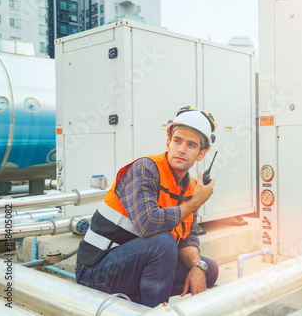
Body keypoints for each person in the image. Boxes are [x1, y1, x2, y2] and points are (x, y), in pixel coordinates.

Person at [75, 106, 219, 307]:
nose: (181, 149)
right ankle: (154, 310)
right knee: (163, 243)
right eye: (177, 141)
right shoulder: (145, 169)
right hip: (96, 271)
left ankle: (138, 300)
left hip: (135, 266)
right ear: (168, 141)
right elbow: (148, 224)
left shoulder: (192, 187)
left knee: (209, 269)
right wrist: (196, 202)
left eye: (191, 145)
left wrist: (197, 265)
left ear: (202, 153)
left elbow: (188, 235)